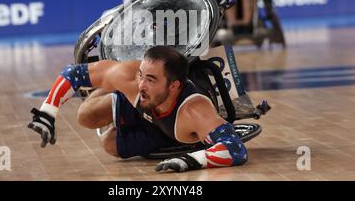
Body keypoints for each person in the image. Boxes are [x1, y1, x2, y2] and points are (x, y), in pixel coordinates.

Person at [28, 45, 248, 172]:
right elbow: (73, 73)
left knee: (109, 145)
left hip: (170, 130)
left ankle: (126, 112)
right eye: (142, 75)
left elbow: (235, 149)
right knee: (85, 115)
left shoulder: (194, 111)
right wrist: (48, 112)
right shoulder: (135, 82)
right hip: (143, 104)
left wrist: (191, 160)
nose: (142, 83)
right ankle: (112, 91)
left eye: (151, 79)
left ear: (174, 86)